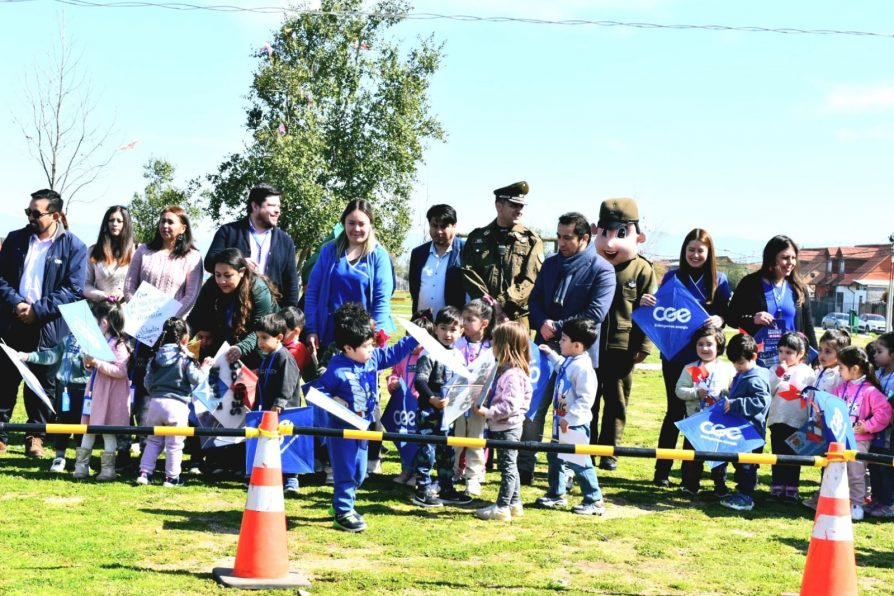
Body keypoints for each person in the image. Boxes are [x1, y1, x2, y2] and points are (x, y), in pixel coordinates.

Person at [520, 211, 615, 484]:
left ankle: (569, 472)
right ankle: (525, 466)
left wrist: (559, 326)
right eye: (559, 236)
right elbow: (534, 300)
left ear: (585, 238)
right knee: (533, 408)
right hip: (543, 350)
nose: (560, 242)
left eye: (567, 238)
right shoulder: (550, 265)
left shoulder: (602, 269)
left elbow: (595, 312)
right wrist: (542, 322)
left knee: (571, 414)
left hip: (577, 356)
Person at [640, 228, 732, 487]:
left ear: (709, 253)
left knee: (702, 413)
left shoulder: (720, 280)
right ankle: (662, 471)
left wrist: (721, 319)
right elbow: (660, 309)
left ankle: (691, 473)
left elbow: (729, 314)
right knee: (675, 411)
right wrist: (648, 301)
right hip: (676, 356)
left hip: (705, 358)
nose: (695, 254)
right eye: (690, 249)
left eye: (700, 250)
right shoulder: (672, 276)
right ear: (684, 251)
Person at [315, 302, 418, 533]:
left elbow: (392, 353)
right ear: (348, 348)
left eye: (372, 344)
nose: (371, 349)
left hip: (364, 429)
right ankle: (343, 512)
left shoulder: (372, 359)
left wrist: (414, 339)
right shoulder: (336, 368)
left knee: (360, 473)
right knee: (346, 471)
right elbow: (320, 392)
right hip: (342, 432)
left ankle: (341, 504)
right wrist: (336, 404)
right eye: (366, 346)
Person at [0, 188, 87, 456]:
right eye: (28, 212)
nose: (31, 217)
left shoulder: (74, 246)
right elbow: (1, 279)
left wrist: (37, 311)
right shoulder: (15, 239)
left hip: (48, 326)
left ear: (56, 215)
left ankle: (35, 436)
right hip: (12, 321)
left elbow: (72, 290)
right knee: (4, 380)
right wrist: (17, 304)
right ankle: (1, 435)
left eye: (36, 213)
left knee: (42, 384)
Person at [592, 198, 657, 471]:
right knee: (588, 401)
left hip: (623, 346)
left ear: (636, 235)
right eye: (605, 232)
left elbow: (650, 310)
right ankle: (586, 448)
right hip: (590, 345)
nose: (610, 242)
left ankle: (610, 451)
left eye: (619, 233)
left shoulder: (642, 269)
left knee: (617, 402)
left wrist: (643, 345)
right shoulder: (590, 264)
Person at [304, 199, 396, 355]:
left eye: (362, 223)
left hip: (364, 341)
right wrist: (311, 329)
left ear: (370, 224)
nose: (356, 228)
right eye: (351, 223)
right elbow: (313, 292)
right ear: (344, 223)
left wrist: (375, 338)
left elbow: (382, 300)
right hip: (330, 337)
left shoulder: (379, 256)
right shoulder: (329, 251)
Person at [535, 318, 606, 515]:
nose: (560, 341)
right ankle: (556, 494)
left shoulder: (583, 368)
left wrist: (570, 419)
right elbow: (562, 367)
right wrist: (550, 355)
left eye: (564, 339)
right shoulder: (571, 361)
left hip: (573, 424)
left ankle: (594, 499)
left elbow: (586, 398)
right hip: (561, 422)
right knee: (555, 458)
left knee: (579, 461)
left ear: (577, 345)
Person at [137, 317, 212, 487]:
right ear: (185, 338)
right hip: (177, 406)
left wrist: (156, 391)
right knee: (175, 443)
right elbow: (197, 379)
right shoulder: (186, 357)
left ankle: (144, 473)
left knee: (153, 441)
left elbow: (147, 382)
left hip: (155, 403)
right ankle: (171, 478)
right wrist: (205, 367)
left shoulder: (155, 356)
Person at [472, 321, 533, 521]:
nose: (491, 346)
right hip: (505, 426)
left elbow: (509, 406)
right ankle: (515, 503)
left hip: (508, 427)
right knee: (511, 465)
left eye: (494, 342)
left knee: (507, 468)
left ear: (505, 346)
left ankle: (501, 507)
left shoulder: (512, 375)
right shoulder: (508, 371)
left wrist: (487, 412)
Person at [412, 306, 472, 507]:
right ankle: (422, 490)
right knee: (426, 451)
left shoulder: (459, 356)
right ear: (436, 329)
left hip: (448, 414)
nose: (448, 334)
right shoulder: (429, 353)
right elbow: (420, 381)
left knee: (447, 452)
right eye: (444, 328)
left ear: (461, 332)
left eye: (453, 330)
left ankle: (446, 488)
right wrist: (431, 399)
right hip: (429, 411)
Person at [727, 235, 817, 369]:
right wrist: (753, 319)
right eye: (785, 258)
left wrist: (815, 362)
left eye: (793, 258)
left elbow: (808, 326)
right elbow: (731, 318)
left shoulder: (799, 288)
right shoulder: (750, 283)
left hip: (791, 365)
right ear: (772, 258)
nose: (791, 262)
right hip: (759, 363)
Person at [462, 181, 544, 327]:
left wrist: (501, 302)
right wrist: (490, 303)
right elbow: (468, 272)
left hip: (515, 318)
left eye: (521, 206)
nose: (519, 210)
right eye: (514, 205)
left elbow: (530, 281)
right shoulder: (477, 238)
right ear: (499, 206)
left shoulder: (532, 241)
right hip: (482, 317)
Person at [204, 184, 299, 308]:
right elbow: (210, 262)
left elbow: (291, 282)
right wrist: (238, 263)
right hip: (231, 311)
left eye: (278, 206)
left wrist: (289, 314)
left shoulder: (286, 241)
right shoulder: (228, 232)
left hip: (270, 314)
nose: (277, 211)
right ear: (255, 206)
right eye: (271, 205)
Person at [188, 248, 279, 368]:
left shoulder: (259, 290)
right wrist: (180, 339)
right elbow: (195, 317)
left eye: (228, 275)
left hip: (258, 348)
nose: (222, 281)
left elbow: (259, 330)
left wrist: (241, 348)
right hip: (225, 343)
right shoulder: (211, 285)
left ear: (242, 272)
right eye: (218, 275)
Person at [674, 325, 736, 497]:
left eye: (709, 344)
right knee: (692, 455)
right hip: (694, 420)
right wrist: (695, 392)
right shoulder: (689, 368)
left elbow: (733, 389)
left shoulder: (727, 369)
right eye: (700, 344)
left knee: (718, 455)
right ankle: (690, 484)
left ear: (719, 347)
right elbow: (679, 390)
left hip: (717, 421)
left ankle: (720, 485)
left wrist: (727, 397)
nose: (704, 348)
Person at [73, 301, 132, 482]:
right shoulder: (99, 343)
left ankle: (108, 470)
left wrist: (97, 363)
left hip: (111, 396)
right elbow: (97, 369)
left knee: (108, 431)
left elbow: (121, 371)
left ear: (104, 323)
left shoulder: (118, 345)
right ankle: (81, 467)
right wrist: (89, 363)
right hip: (96, 393)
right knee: (88, 430)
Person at [834, 346, 893, 521]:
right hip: (839, 439)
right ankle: (838, 500)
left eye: (841, 367)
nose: (838, 371)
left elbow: (885, 413)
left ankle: (857, 504)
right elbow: (833, 405)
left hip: (859, 441)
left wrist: (867, 426)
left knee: (856, 473)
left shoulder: (870, 391)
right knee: (837, 471)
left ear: (855, 369)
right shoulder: (841, 387)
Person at [18, 330, 90, 473]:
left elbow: (95, 367)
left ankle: (82, 460)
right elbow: (51, 355)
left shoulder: (92, 343)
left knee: (82, 426)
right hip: (64, 389)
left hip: (84, 391)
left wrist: (89, 363)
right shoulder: (67, 339)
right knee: (62, 423)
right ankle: (59, 457)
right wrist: (27, 356)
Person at [718, 333, 772, 512]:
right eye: (734, 363)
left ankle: (746, 496)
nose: (737, 367)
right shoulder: (744, 373)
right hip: (740, 429)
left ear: (754, 357)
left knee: (746, 464)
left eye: (740, 363)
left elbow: (762, 401)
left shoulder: (756, 378)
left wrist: (734, 404)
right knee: (741, 463)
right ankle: (743, 489)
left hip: (751, 431)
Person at [254, 313, 304, 495]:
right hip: (268, 410)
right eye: (259, 337)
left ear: (279, 338)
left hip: (285, 411)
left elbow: (288, 382)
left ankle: (292, 479)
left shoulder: (285, 357)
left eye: (265, 338)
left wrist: (279, 403)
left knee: (288, 443)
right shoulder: (268, 357)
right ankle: (271, 476)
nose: (260, 342)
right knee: (272, 445)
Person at [766, 332, 816, 503]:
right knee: (778, 454)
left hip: (798, 420)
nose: (784, 356)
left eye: (789, 352)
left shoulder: (807, 372)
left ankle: (792, 488)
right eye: (781, 351)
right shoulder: (774, 369)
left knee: (794, 454)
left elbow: (811, 394)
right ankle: (777, 486)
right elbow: (769, 389)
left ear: (800, 354)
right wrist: (778, 374)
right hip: (778, 419)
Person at [452, 299, 494, 495]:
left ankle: (473, 476)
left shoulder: (491, 347)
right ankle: (452, 472)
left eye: (470, 319)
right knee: (457, 439)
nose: (465, 323)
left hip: (479, 402)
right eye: (464, 319)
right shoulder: (457, 343)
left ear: (484, 323)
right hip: (458, 400)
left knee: (476, 440)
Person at [386, 312, 432, 487]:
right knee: (404, 438)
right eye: (410, 337)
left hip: (420, 406)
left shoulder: (427, 357)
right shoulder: (402, 356)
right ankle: (406, 470)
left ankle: (417, 473)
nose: (414, 343)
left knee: (419, 441)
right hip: (404, 407)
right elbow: (394, 374)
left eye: (418, 339)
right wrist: (394, 383)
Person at [408, 204, 466, 314]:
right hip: (422, 325)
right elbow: (414, 288)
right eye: (434, 226)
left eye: (443, 226)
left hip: (452, 327)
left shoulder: (466, 252)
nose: (439, 231)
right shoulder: (418, 253)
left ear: (454, 226)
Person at [84, 205, 135, 303]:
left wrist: (124, 292)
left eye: (119, 221)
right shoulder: (93, 251)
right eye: (111, 220)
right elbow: (85, 285)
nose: (114, 224)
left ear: (126, 224)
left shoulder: (136, 251)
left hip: (127, 311)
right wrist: (102, 295)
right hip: (101, 310)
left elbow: (140, 284)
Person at [868, 332, 894, 518]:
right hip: (874, 428)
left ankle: (890, 502)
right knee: (874, 463)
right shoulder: (876, 374)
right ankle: (877, 498)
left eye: (879, 351)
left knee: (887, 465)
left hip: (890, 431)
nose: (875, 355)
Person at [281, 306, 312, 374]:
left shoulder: (296, 352)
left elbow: (289, 375)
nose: (277, 332)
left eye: (282, 330)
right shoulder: (285, 344)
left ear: (296, 332)